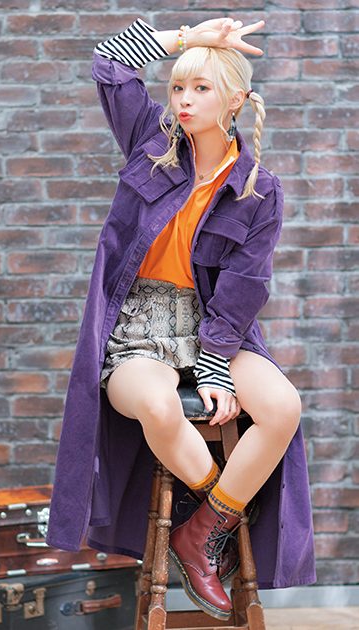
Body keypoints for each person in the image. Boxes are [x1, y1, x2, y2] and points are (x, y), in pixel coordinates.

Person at [45, 16, 316, 621]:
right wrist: (190, 38)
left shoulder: (258, 190)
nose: (184, 100)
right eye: (177, 87)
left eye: (201, 88)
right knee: (159, 405)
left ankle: (197, 535)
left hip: (213, 325)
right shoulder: (152, 142)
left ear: (236, 101)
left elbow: (245, 287)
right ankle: (223, 518)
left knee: (283, 407)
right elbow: (109, 63)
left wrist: (215, 363)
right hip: (136, 326)